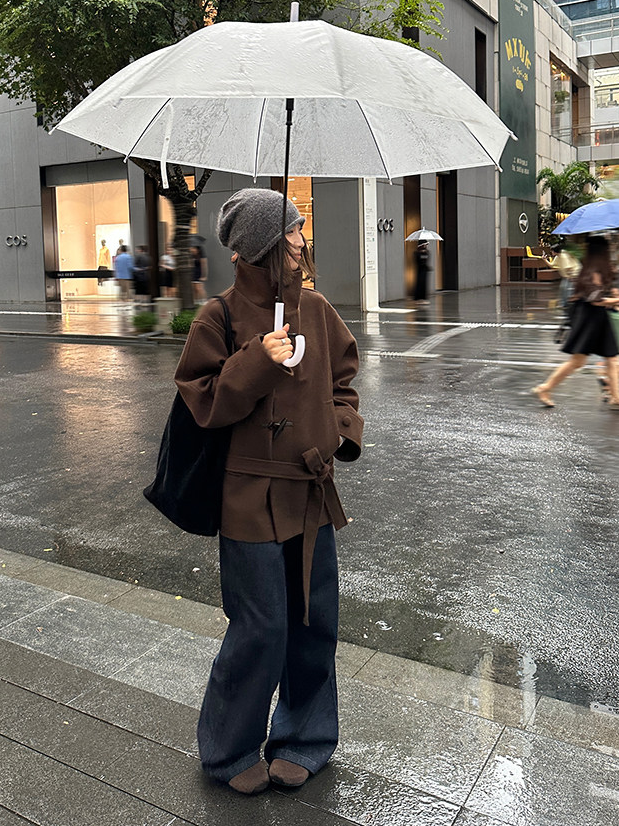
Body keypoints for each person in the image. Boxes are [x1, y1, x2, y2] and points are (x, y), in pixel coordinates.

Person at [174, 188, 363, 795]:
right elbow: (203, 402)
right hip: (248, 497)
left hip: (310, 495)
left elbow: (344, 380)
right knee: (259, 628)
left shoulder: (318, 311)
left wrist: (339, 430)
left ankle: (305, 739)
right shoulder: (218, 318)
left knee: (314, 625)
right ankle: (228, 750)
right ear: (262, 247)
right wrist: (257, 359)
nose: (302, 241)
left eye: (300, 230)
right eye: (292, 232)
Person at [532, 237, 619, 411]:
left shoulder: (594, 268)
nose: (611, 250)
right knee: (578, 361)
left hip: (598, 317)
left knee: (612, 357)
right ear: (601, 251)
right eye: (608, 248)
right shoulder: (592, 271)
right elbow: (596, 300)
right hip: (589, 319)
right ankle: (545, 388)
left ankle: (616, 397)